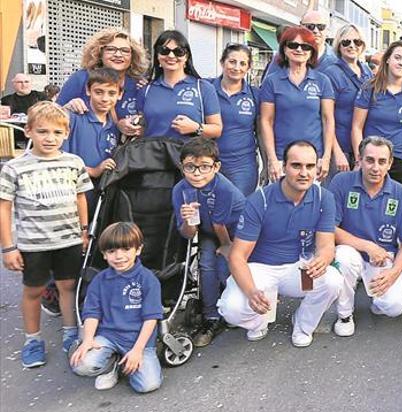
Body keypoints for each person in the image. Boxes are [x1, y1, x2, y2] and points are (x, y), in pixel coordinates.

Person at [218, 141, 342, 347]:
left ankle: (303, 325)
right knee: (231, 309)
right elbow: (237, 256)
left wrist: (322, 259)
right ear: (284, 167)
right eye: (296, 165)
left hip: (299, 267)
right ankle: (260, 320)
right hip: (261, 268)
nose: (304, 173)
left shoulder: (324, 198)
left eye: (310, 166)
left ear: (317, 168)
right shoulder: (260, 200)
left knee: (333, 281)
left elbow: (326, 246)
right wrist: (251, 292)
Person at [0, 101, 92, 368]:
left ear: (66, 134)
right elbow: (4, 207)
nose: (50, 138)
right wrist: (8, 247)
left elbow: (80, 197)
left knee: (68, 287)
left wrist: (84, 231)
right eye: (42, 131)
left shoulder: (73, 163)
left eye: (57, 132)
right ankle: (33, 340)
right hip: (33, 244)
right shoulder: (14, 168)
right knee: (34, 290)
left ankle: (70, 333)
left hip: (68, 240)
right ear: (28, 131)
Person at [328, 136, 402, 337]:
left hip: (383, 257)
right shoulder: (341, 182)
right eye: (370, 160)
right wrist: (368, 246)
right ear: (359, 159)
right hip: (351, 251)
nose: (375, 168)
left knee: (394, 306)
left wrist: (393, 273)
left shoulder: (401, 193)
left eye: (382, 161)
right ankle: (345, 315)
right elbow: (329, 228)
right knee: (343, 257)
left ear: (390, 163)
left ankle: (378, 300)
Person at [69, 222, 163, 393]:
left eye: (126, 249)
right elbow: (92, 312)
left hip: (138, 339)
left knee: (148, 385)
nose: (119, 256)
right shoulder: (100, 280)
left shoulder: (148, 280)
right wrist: (88, 339)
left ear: (138, 250)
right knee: (81, 365)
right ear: (104, 255)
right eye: (112, 251)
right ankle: (112, 365)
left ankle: (127, 364)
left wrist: (137, 350)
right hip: (108, 336)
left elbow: (151, 318)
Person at [172, 137, 246, 347]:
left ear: (216, 167)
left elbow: (219, 224)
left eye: (204, 167)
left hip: (235, 232)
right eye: (190, 167)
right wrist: (188, 220)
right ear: (182, 167)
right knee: (206, 264)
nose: (197, 173)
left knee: (224, 268)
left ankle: (234, 308)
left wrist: (227, 246)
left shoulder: (223, 187)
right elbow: (188, 234)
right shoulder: (179, 190)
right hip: (208, 231)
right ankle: (211, 316)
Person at [260, 26, 336, 182]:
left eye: (305, 46)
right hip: (282, 158)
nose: (299, 50)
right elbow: (266, 121)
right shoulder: (272, 81)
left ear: (312, 51)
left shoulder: (322, 81)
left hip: (312, 159)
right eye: (293, 45)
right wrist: (272, 159)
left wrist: (326, 157)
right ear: (284, 49)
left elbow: (328, 120)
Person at [352, 41, 402, 188]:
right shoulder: (370, 88)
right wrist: (359, 160)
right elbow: (357, 127)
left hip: (398, 158)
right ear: (388, 59)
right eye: (397, 57)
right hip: (371, 157)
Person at [57, 28, 148, 138]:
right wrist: (67, 108)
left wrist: (138, 127)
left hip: (124, 147)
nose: (118, 54)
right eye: (111, 49)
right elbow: (53, 113)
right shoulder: (81, 78)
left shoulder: (139, 84)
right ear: (99, 53)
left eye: (125, 50)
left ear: (133, 56)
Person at [135, 30, 222, 141]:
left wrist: (196, 128)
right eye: (164, 51)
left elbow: (217, 130)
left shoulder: (203, 88)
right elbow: (141, 128)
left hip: (189, 151)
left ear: (186, 57)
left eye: (178, 52)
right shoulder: (146, 89)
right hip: (153, 151)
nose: (171, 56)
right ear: (157, 55)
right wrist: (133, 126)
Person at [208, 44, 261, 195]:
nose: (237, 67)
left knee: (237, 205)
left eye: (243, 63)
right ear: (222, 62)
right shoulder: (206, 88)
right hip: (208, 162)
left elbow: (261, 132)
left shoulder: (255, 95)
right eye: (232, 62)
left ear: (248, 67)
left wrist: (267, 163)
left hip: (242, 167)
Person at [61, 68, 122, 191]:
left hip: (102, 194)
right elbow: (58, 160)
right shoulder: (73, 118)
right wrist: (93, 171)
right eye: (99, 92)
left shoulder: (116, 126)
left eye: (111, 93)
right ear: (88, 91)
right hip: (74, 192)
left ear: (120, 95)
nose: (105, 98)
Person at [325, 24, 373, 176]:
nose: (352, 46)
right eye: (346, 42)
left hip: (365, 148)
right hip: (341, 148)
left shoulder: (368, 72)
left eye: (357, 42)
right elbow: (326, 117)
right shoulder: (331, 73)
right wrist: (337, 152)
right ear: (339, 46)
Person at [1, 73, 47, 147]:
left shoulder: (40, 97)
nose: (24, 85)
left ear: (31, 83)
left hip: (36, 129)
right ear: (14, 84)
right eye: (20, 82)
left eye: (26, 82)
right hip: (14, 130)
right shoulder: (6, 100)